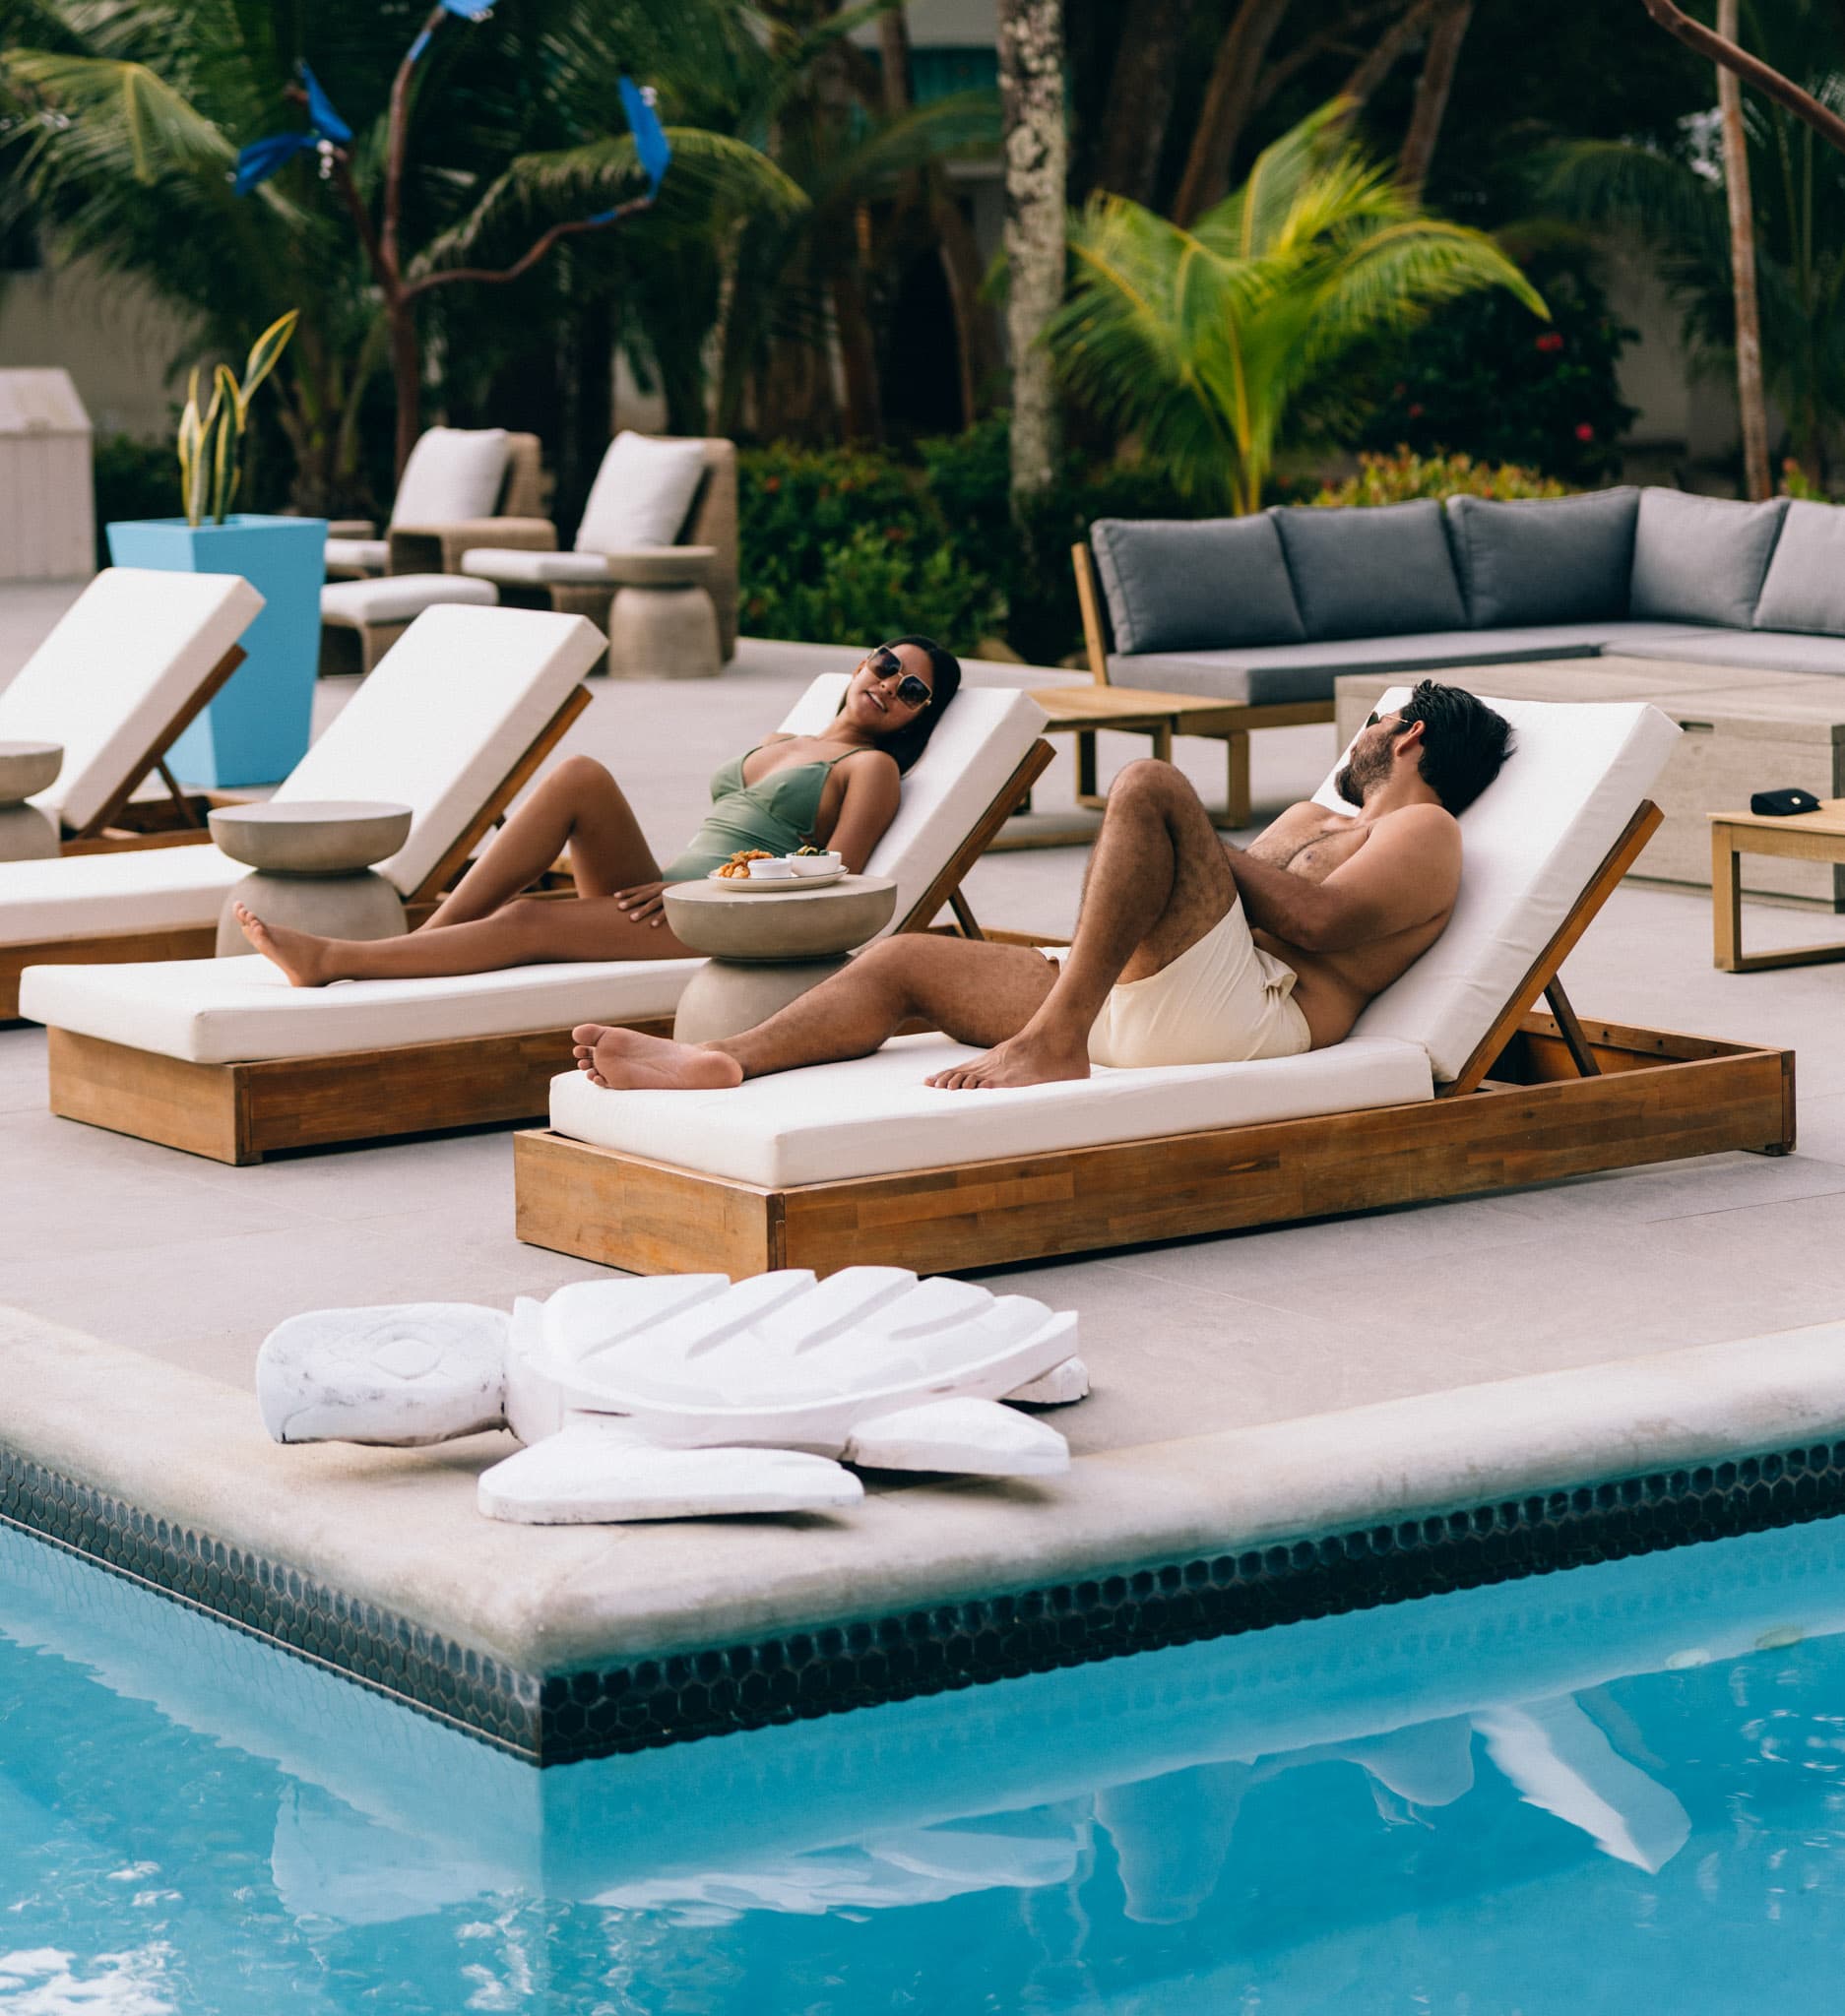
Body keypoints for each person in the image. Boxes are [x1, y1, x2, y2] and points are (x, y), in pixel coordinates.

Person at [570, 679, 1514, 1094]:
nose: (1357, 740)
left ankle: (1053, 1042)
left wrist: (1181, 840)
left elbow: (1317, 917)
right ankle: (726, 1059)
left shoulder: (1424, 830)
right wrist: (1182, 861)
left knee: (1148, 784)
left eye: (1373, 725)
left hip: (1252, 1019)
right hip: (1153, 997)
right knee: (903, 961)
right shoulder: (1326, 821)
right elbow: (1216, 900)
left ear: (1409, 736)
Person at [234, 636, 960, 986]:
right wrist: (679, 885)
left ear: (916, 720)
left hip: (718, 916)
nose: (890, 686)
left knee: (527, 920)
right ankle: (425, 945)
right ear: (863, 664)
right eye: (886, 665)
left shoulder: (870, 771)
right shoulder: (784, 739)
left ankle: (336, 960)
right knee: (579, 775)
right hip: (666, 892)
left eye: (912, 693)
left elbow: (833, 875)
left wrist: (707, 893)